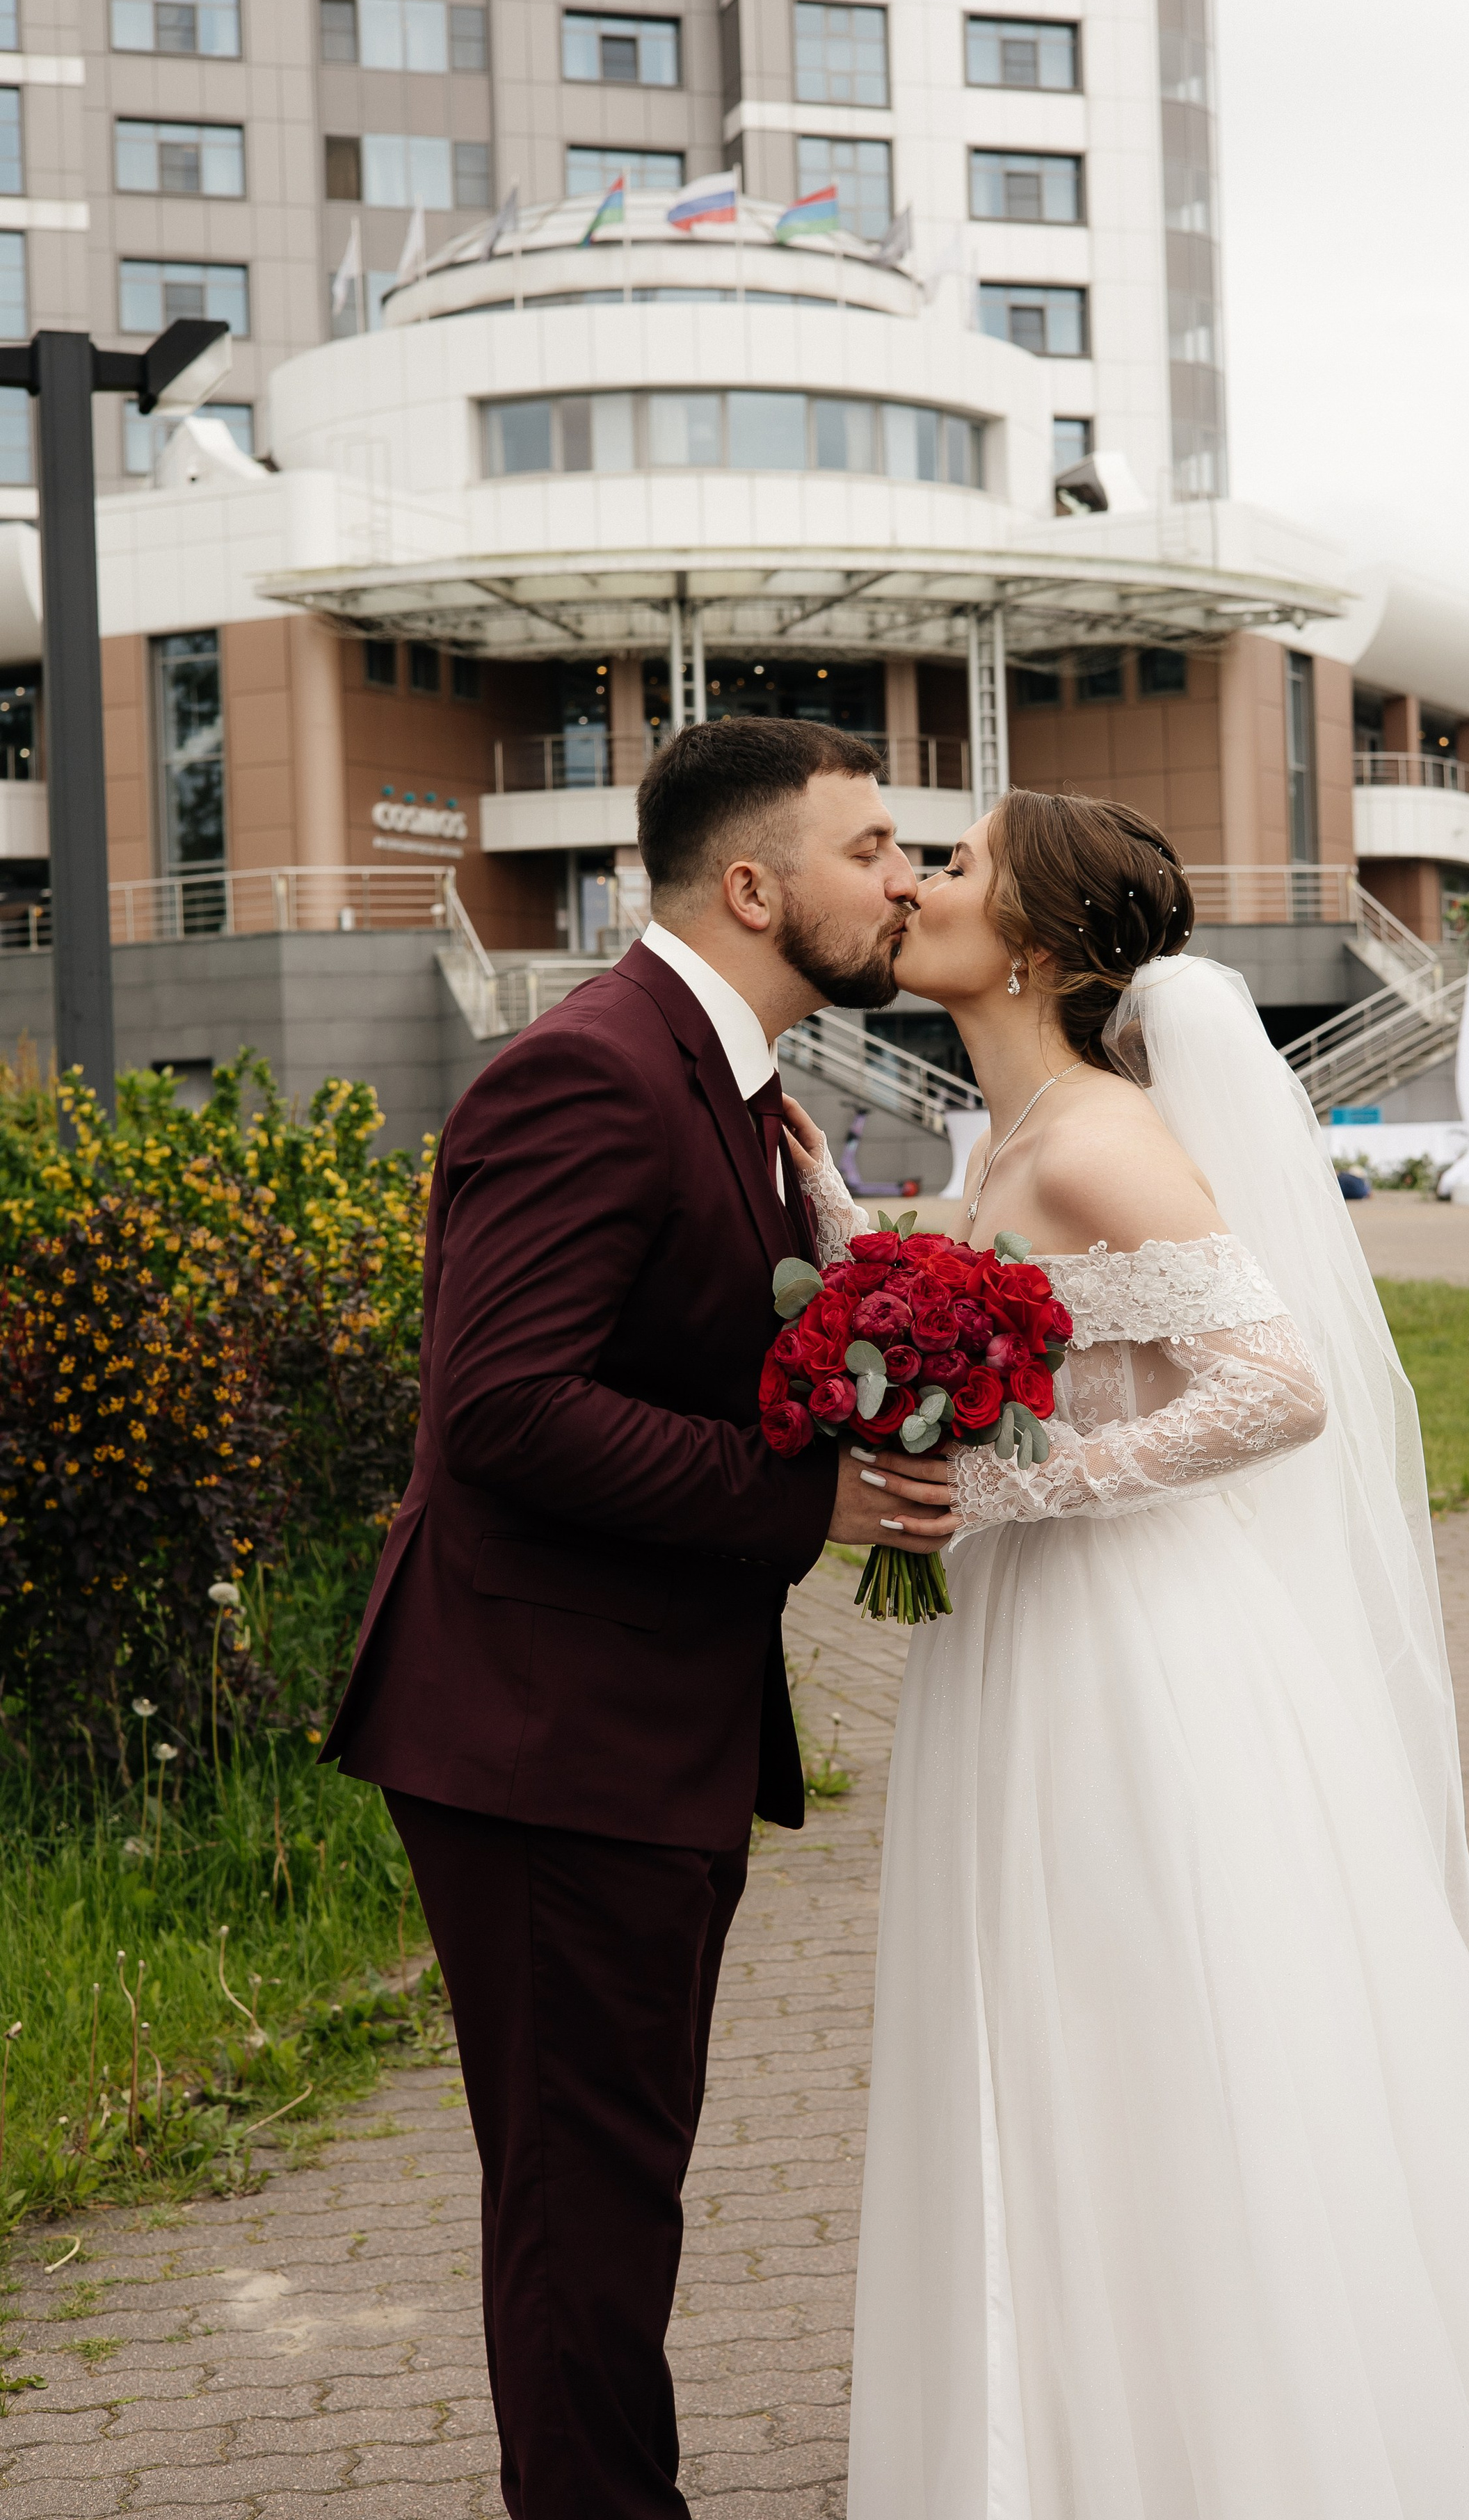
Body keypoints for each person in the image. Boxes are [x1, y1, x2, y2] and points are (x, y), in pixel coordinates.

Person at [787, 789, 1469, 2518]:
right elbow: (1007, 1328)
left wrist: (1025, 1496)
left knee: (1146, 2037)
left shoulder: (1094, 1135)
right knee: (1037, 2033)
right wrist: (845, 1235)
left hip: (1130, 1657)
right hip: (1015, 1650)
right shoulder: (999, 1144)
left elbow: (1276, 1385)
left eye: (961, 869)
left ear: (1038, 948)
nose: (921, 886)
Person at [320, 718, 957, 2520]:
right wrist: (809, 1499)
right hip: (537, 1741)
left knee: (618, 2195)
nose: (904, 879)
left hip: (636, 1731)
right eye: (874, 848)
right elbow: (501, 1408)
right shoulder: (591, 1073)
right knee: (584, 2210)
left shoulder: (740, 1089)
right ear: (754, 887)